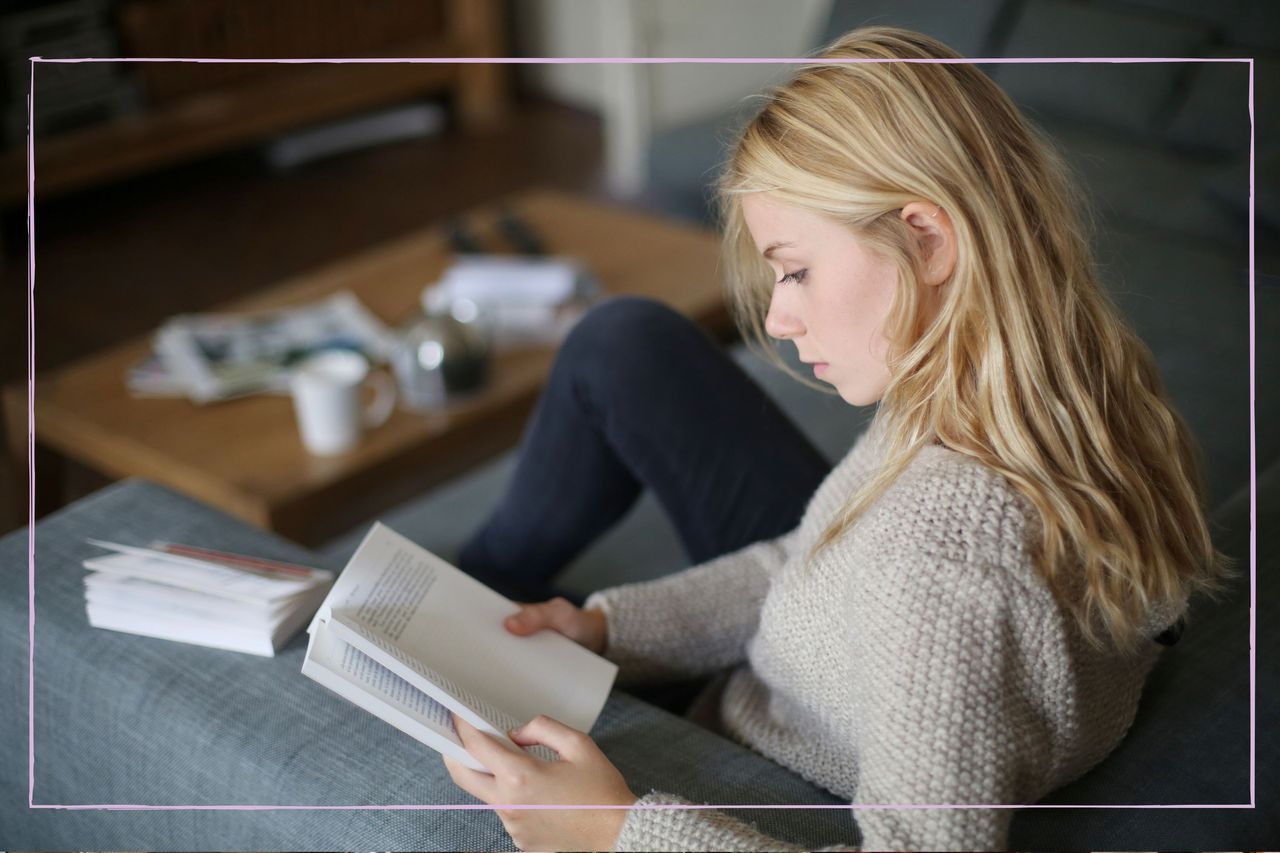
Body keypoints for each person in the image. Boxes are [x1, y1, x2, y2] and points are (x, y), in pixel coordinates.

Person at [442, 26, 1231, 852]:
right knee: (623, 346)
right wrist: (607, 628)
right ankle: (479, 588)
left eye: (796, 268)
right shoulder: (1019, 384)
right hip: (799, 672)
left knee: (618, 351)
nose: (778, 320)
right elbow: (803, 561)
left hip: (769, 750)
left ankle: (470, 584)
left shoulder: (945, 563)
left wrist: (615, 830)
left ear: (928, 238)